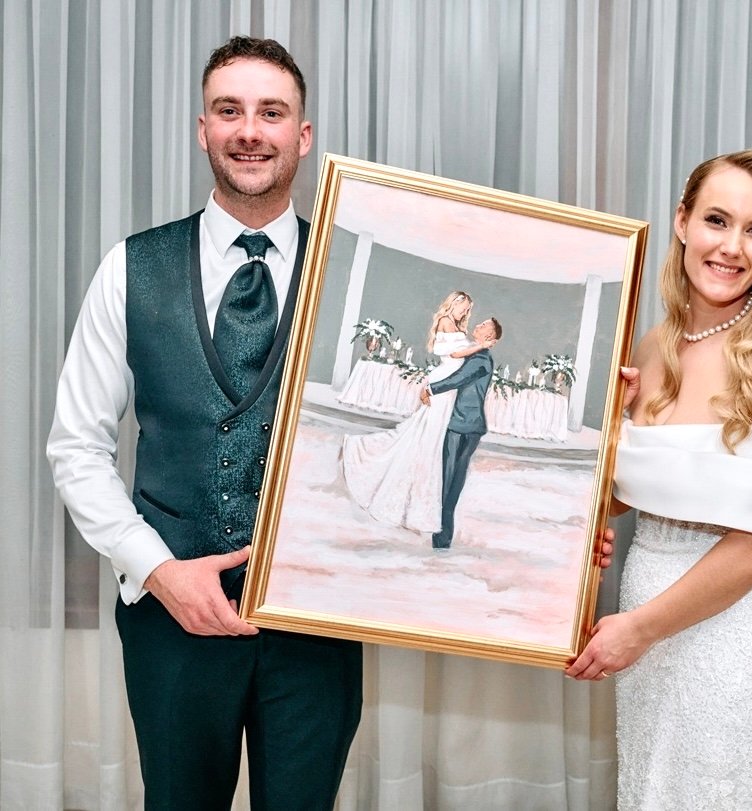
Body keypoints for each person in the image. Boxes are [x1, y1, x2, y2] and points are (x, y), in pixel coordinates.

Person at [47, 37, 361, 810]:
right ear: (203, 128)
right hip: (170, 619)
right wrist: (158, 570)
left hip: (318, 622)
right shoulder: (131, 268)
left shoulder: (355, 273)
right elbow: (76, 447)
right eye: (229, 110)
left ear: (303, 135)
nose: (250, 130)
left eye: (271, 113)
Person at [566, 149, 752, 809]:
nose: (732, 247)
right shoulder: (652, 346)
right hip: (646, 630)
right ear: (682, 221)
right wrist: (603, 435)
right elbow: (623, 497)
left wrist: (640, 628)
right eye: (717, 220)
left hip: (739, 636)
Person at [341, 291, 494, 534]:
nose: (465, 312)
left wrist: (477, 346)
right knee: (429, 438)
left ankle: (424, 501)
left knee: (433, 441)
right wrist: (479, 345)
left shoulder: (457, 327)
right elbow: (454, 354)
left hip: (449, 389)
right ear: (453, 304)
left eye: (467, 309)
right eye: (462, 307)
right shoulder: (446, 321)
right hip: (444, 386)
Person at [420, 317, 502, 549]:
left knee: (450, 480)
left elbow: (458, 379)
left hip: (463, 425)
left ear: (490, 337)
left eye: (484, 325)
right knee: (450, 479)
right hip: (466, 424)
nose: (478, 325)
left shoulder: (481, 359)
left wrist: (431, 389)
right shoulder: (476, 354)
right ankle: (442, 535)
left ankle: (442, 536)